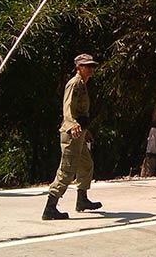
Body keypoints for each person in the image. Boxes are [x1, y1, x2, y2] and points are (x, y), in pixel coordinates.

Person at [42, 53, 103, 220]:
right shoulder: (74, 84)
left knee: (86, 164)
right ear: (79, 67)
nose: (91, 69)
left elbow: (81, 111)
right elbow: (67, 107)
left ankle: (82, 200)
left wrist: (85, 131)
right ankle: (50, 207)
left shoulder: (83, 84)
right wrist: (72, 125)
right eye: (87, 66)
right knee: (67, 170)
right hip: (72, 133)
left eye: (92, 66)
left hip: (79, 133)